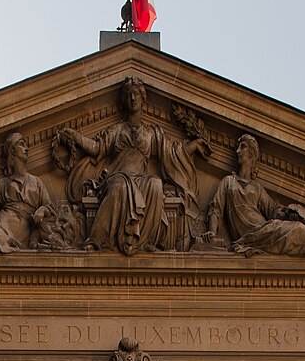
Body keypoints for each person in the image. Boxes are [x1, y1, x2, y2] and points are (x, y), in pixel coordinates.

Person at [56, 77, 210, 254]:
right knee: (119, 187)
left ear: (143, 99)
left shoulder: (151, 132)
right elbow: (97, 148)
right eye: (129, 95)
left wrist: (193, 146)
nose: (133, 98)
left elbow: (172, 151)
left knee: (156, 184)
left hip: (141, 179)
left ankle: (144, 240)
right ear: (125, 100)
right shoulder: (117, 130)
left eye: (136, 94)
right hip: (119, 175)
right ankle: (97, 239)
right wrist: (75, 136)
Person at [204, 134, 305, 257]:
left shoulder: (257, 188)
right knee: (299, 230)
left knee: (301, 225)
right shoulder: (228, 181)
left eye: (242, 147)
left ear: (252, 153)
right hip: (252, 235)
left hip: (265, 229)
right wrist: (212, 232)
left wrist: (290, 214)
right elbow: (215, 208)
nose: (238, 151)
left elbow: (273, 211)